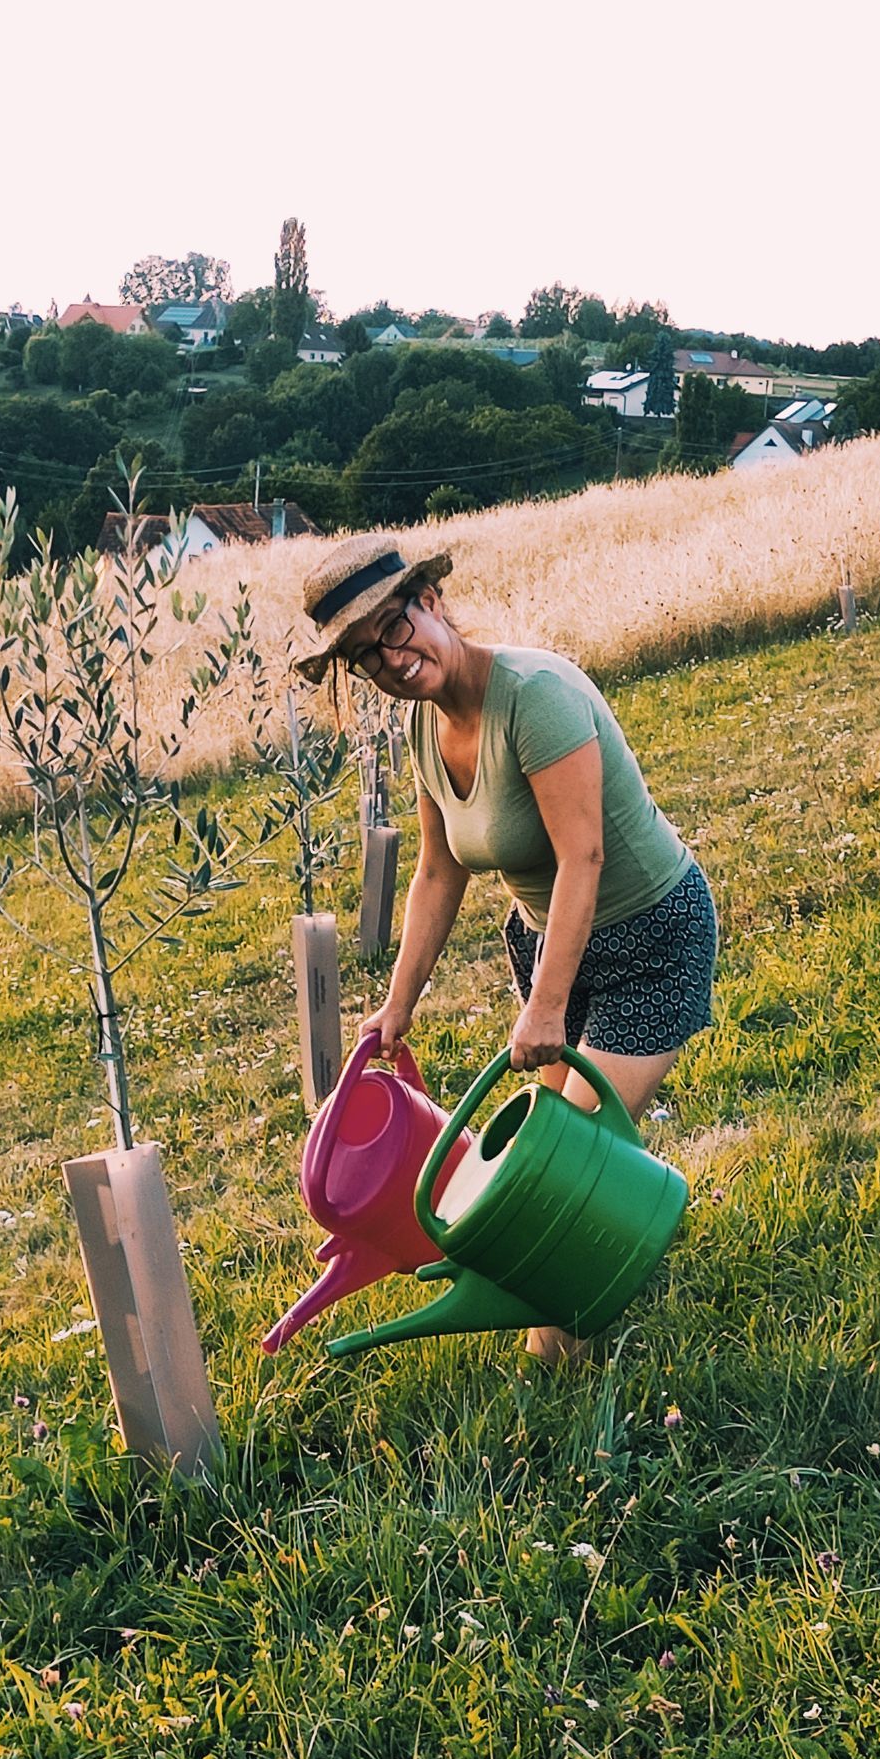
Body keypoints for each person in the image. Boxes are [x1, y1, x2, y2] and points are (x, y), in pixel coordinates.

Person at [294, 533, 716, 1363]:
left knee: (563, 1165)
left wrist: (547, 1006)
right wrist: (398, 1004)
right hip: (549, 942)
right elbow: (436, 873)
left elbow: (582, 855)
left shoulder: (536, 697)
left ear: (432, 602)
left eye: (394, 626)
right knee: (537, 1152)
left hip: (648, 935)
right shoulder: (423, 730)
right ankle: (564, 1314)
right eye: (363, 655)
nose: (389, 658)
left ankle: (557, 1352)